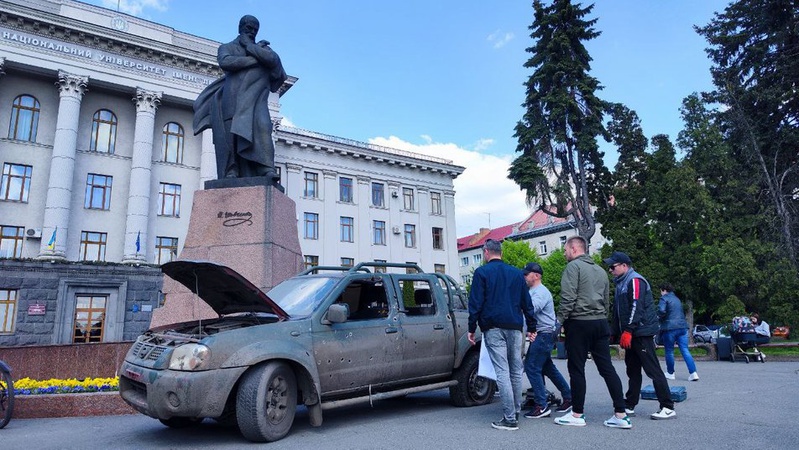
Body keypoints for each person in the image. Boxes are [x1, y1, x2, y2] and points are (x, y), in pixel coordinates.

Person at [194, 15, 288, 181]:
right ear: (240, 27)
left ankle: (266, 168)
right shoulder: (227, 47)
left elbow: (273, 61)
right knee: (231, 135)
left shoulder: (262, 48)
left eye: (254, 29)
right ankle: (232, 170)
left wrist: (250, 47)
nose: (251, 31)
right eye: (248, 28)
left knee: (263, 127)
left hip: (256, 98)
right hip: (232, 96)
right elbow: (226, 63)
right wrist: (255, 60)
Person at [554, 236, 629, 429]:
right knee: (607, 368)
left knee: (577, 369)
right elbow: (606, 300)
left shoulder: (573, 267)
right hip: (600, 323)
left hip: (579, 323)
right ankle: (621, 414)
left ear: (573, 249)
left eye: (565, 250)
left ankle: (577, 414)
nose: (564, 253)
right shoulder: (601, 271)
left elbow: (568, 297)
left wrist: (559, 322)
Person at [468, 239, 537, 431]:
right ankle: (515, 411)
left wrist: (471, 328)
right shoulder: (516, 273)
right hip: (515, 327)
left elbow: (475, 302)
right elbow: (527, 303)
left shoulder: (481, 273)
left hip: (493, 327)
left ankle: (509, 419)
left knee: (502, 372)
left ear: (486, 252)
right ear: (502, 253)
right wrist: (532, 327)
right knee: (516, 369)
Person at [606, 251, 676, 421]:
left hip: (641, 333)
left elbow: (636, 307)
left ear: (624, 265)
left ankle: (667, 406)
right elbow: (617, 311)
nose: (610, 270)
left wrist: (629, 330)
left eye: (613, 267)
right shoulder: (621, 283)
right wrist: (614, 333)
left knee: (653, 370)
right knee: (633, 370)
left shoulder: (635, 280)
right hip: (631, 334)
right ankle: (630, 403)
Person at [521, 262, 572, 419]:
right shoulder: (532, 291)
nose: (524, 277)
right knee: (547, 368)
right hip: (543, 334)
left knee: (531, 367)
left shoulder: (541, 292)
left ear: (536, 275)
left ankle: (541, 405)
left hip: (544, 334)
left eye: (526, 274)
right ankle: (569, 397)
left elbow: (531, 309)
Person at [658, 283, 699, 381]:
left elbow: (662, 311)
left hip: (670, 328)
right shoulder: (677, 299)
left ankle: (670, 373)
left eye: (660, 291)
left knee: (669, 351)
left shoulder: (664, 298)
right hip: (682, 327)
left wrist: (658, 318)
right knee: (685, 350)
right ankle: (693, 373)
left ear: (664, 290)